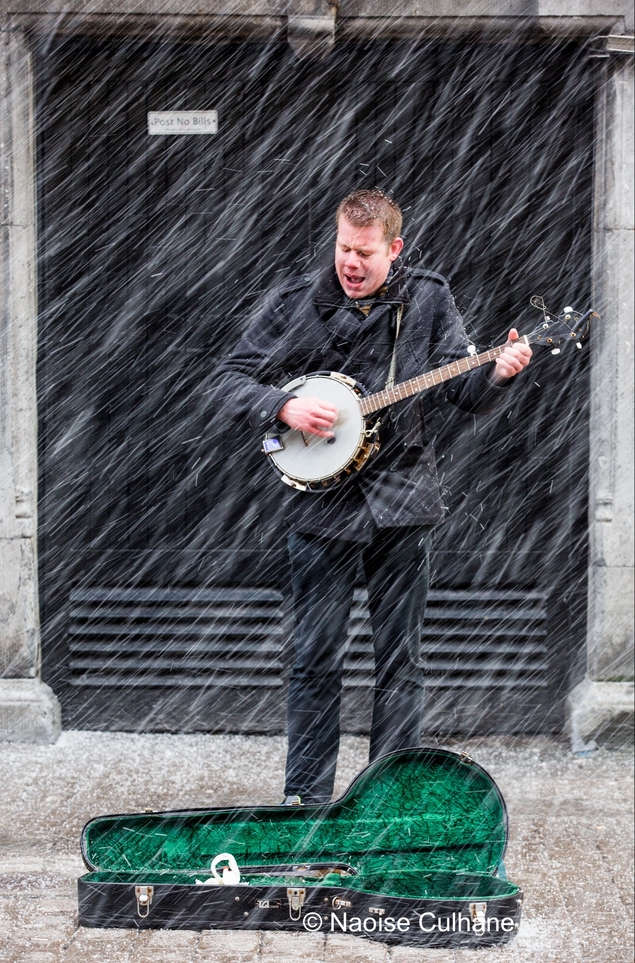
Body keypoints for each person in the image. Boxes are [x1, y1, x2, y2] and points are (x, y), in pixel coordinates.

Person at [214, 190, 532, 805]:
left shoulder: (429, 298)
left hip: (402, 497)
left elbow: (461, 392)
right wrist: (281, 404)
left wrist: (497, 372)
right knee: (313, 657)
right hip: (319, 504)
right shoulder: (293, 302)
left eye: (364, 253)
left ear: (395, 249)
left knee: (401, 662)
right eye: (342, 248)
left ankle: (385, 801)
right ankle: (304, 801)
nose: (350, 264)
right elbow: (227, 378)